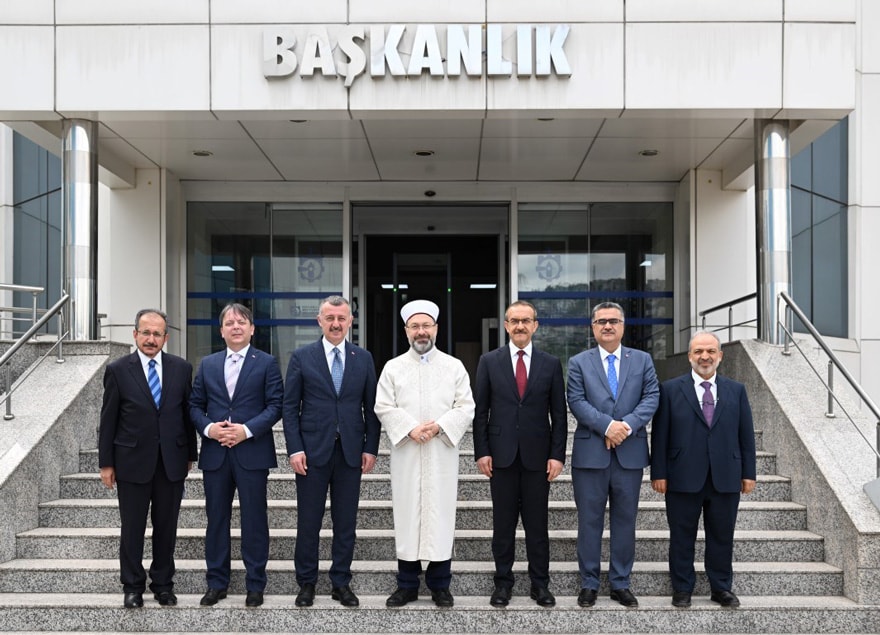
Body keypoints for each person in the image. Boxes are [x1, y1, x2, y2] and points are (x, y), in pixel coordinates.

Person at [374, 299, 475, 608]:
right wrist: (410, 428)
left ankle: (440, 585)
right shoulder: (393, 368)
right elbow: (383, 406)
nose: (421, 332)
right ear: (406, 331)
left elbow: (466, 406)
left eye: (426, 326)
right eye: (415, 326)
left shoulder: (454, 367)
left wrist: (439, 427)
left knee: (440, 516)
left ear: (436, 329)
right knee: (407, 517)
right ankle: (406, 585)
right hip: (407, 454)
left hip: (441, 453)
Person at [283, 295, 381, 608]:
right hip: (311, 453)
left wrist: (371, 448)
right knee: (308, 522)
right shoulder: (302, 357)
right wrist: (294, 448)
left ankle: (341, 582)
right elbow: (290, 408)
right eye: (330, 318)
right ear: (320, 321)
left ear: (350, 321)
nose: (336, 324)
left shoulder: (363, 358)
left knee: (346, 522)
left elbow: (372, 408)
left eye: (341, 318)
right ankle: (306, 583)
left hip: (350, 452)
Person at [98, 309, 197, 609]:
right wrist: (106, 463)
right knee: (132, 528)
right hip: (131, 462)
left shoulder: (181, 368)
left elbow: (186, 415)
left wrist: (190, 454)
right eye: (145, 333)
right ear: (135, 334)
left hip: (171, 462)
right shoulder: (118, 370)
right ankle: (132, 586)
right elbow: (108, 420)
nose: (151, 339)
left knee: (166, 527)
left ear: (166, 337)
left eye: (157, 334)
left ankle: (163, 585)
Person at [650, 331, 757, 609]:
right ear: (689, 356)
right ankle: (682, 588)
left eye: (710, 351)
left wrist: (749, 473)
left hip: (726, 475)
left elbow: (746, 435)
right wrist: (658, 472)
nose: (705, 357)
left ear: (720, 355)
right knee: (681, 536)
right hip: (682, 475)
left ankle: (721, 588)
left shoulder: (736, 390)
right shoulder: (670, 389)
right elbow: (660, 435)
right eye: (698, 351)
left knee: (722, 535)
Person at [473, 300, 567, 608]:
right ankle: (503, 584)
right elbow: (481, 411)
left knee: (537, 527)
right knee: (503, 526)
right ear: (506, 325)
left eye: (526, 321)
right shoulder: (489, 361)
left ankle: (540, 585)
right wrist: (482, 452)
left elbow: (559, 414)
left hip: (538, 458)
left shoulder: (551, 364)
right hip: (501, 457)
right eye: (514, 321)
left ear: (535, 325)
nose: (520, 326)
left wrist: (557, 455)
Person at [189, 303, 283, 608]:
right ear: (221, 331)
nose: (236, 327)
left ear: (252, 329)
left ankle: (255, 584)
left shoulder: (267, 363)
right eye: (230, 323)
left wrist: (246, 430)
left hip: (252, 452)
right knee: (216, 519)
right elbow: (194, 405)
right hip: (216, 454)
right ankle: (217, 583)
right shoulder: (208, 364)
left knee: (254, 520)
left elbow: (275, 405)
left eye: (242, 322)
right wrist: (210, 429)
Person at [566, 301, 659, 608]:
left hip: (629, 455)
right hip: (590, 455)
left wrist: (625, 426)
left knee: (625, 521)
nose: (607, 326)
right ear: (593, 327)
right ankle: (589, 583)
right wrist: (607, 426)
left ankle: (621, 583)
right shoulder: (579, 362)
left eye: (613, 321)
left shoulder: (642, 360)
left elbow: (651, 397)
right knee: (589, 521)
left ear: (623, 326)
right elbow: (576, 400)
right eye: (601, 321)